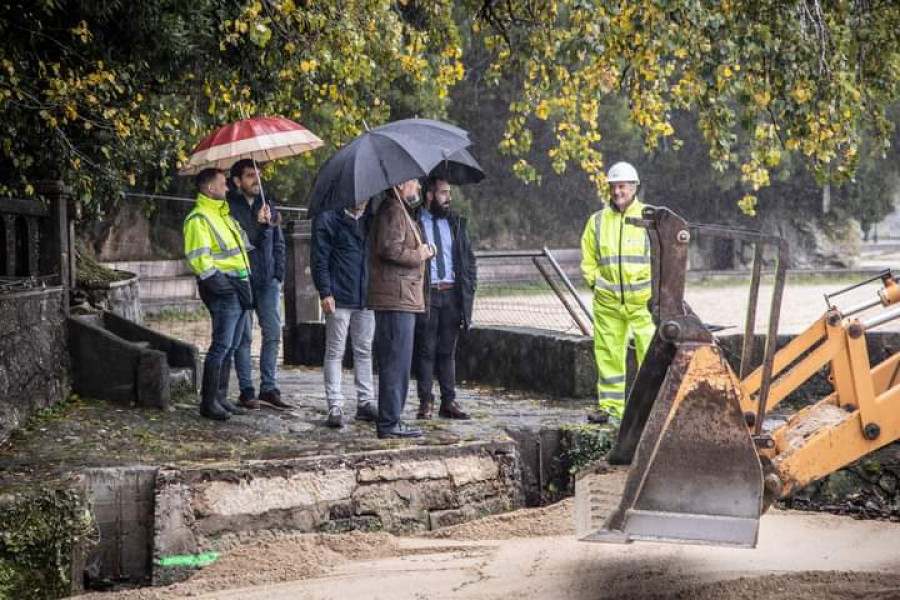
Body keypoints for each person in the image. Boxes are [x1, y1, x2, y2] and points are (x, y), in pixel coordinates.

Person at [580, 161, 655, 424]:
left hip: (643, 304)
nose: (617, 191)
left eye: (622, 186)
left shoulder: (650, 217)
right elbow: (588, 259)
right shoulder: (597, 221)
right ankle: (611, 409)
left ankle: (650, 409)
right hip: (608, 303)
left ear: (634, 187)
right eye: (613, 186)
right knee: (609, 355)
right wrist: (595, 285)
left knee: (650, 355)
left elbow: (662, 257)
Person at [183, 168, 253, 420]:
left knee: (231, 345)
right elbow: (200, 260)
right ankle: (208, 402)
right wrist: (223, 288)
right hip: (225, 289)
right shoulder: (199, 218)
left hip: (239, 286)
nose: (227, 188)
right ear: (210, 188)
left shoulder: (223, 214)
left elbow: (243, 246)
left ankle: (220, 397)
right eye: (223, 184)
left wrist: (263, 224)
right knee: (221, 345)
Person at [367, 179, 435, 439]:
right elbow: (390, 249)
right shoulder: (393, 210)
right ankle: (389, 422)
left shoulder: (397, 209)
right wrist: (420, 254)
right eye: (414, 182)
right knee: (396, 363)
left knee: (400, 362)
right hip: (395, 298)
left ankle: (392, 419)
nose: (417, 186)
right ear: (401, 184)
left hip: (402, 297)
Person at [226, 159, 291, 410]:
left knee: (273, 333)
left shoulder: (269, 205)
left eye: (259, 175)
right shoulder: (229, 208)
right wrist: (260, 225)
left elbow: (279, 242)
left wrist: (278, 274)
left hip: (268, 282)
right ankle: (246, 390)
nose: (257, 180)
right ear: (237, 181)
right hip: (242, 280)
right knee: (243, 337)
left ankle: (269, 387)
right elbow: (246, 241)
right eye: (250, 175)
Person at [414, 177, 477, 420]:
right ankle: (426, 402)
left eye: (449, 193)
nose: (448, 198)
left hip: (452, 293)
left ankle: (449, 401)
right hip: (428, 293)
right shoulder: (416, 222)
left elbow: (468, 259)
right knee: (426, 349)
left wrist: (469, 286)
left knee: (447, 351)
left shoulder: (456, 224)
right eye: (443, 193)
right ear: (429, 195)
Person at [311, 199, 378, 428]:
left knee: (364, 350)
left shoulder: (371, 220)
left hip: (366, 297)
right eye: (360, 197)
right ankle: (335, 405)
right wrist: (325, 291)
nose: (363, 201)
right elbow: (319, 259)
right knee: (335, 351)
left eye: (367, 197)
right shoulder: (329, 219)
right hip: (339, 296)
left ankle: (366, 402)